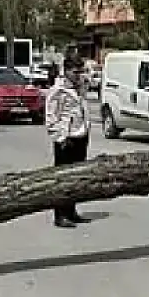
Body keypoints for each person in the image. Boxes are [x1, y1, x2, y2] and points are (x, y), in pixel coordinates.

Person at [44, 66, 91, 228]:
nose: (78, 75)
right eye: (75, 71)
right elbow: (51, 116)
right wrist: (60, 138)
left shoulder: (80, 88)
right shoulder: (58, 90)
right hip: (66, 138)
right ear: (66, 71)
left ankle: (71, 211)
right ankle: (60, 215)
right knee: (63, 178)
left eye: (80, 71)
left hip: (80, 135)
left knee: (76, 178)